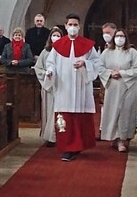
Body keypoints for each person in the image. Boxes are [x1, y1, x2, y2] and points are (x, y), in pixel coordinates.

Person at [44, 13, 101, 162]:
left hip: (81, 87)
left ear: (79, 26)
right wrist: (50, 72)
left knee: (79, 118)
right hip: (64, 87)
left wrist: (85, 64)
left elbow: (96, 63)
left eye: (75, 25)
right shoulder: (58, 46)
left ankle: (78, 145)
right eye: (70, 25)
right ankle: (68, 147)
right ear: (66, 25)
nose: (73, 27)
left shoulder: (87, 45)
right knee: (66, 118)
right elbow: (51, 63)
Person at [99, 29, 137, 152]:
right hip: (112, 86)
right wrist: (110, 73)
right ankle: (113, 136)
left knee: (125, 111)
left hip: (128, 86)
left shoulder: (132, 52)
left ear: (126, 38)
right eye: (117, 36)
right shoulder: (107, 52)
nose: (119, 38)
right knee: (113, 111)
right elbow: (100, 66)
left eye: (122, 36)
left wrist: (122, 73)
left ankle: (123, 139)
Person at [34, 26, 64, 147]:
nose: (56, 38)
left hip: (61, 85)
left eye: (58, 35)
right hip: (48, 85)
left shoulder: (65, 51)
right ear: (50, 37)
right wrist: (46, 74)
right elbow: (38, 67)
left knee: (61, 111)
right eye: (54, 35)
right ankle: (49, 136)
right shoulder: (45, 51)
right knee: (48, 110)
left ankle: (61, 134)